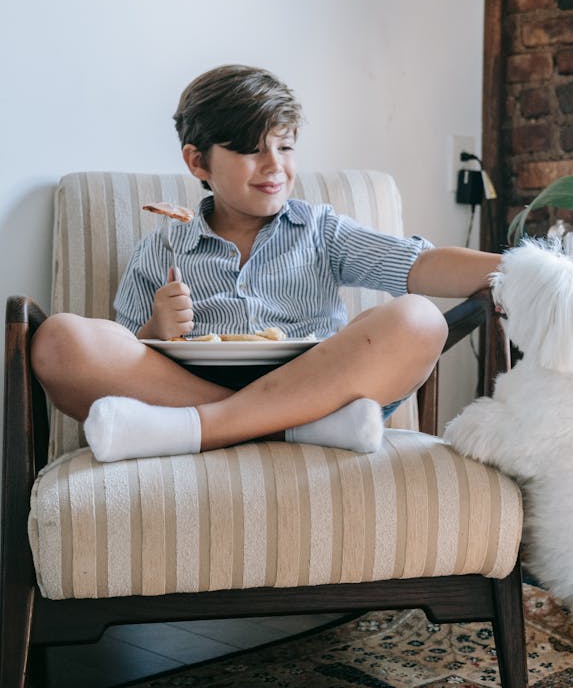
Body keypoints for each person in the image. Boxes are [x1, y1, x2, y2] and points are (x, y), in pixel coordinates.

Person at [32, 64, 502, 461]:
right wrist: (155, 330)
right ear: (198, 162)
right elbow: (122, 354)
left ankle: (201, 429)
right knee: (58, 341)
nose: (274, 165)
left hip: (319, 382)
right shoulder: (162, 250)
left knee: (419, 318)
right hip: (193, 385)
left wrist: (524, 269)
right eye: (252, 150)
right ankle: (300, 428)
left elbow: (419, 265)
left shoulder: (321, 230)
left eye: (285, 146)